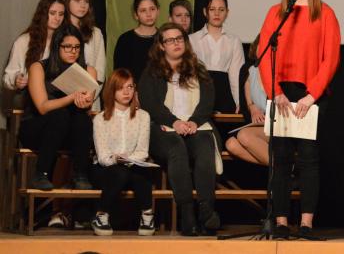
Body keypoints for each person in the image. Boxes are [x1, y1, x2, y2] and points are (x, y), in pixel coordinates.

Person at [257, 0, 341, 240]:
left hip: (310, 96)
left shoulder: (325, 14)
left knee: (308, 159)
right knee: (280, 159)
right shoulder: (276, 13)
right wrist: (275, 92)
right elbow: (265, 55)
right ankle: (281, 221)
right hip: (281, 93)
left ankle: (306, 222)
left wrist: (311, 95)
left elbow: (331, 59)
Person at [138, 23, 221, 236]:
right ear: (161, 46)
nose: (176, 43)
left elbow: (208, 100)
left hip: (195, 125)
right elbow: (150, 104)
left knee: (205, 146)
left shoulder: (198, 68)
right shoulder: (152, 72)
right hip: (163, 128)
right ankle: (187, 213)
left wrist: (194, 121)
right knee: (176, 148)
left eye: (179, 39)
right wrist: (174, 122)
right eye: (170, 40)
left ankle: (206, 211)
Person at [18, 24, 96, 190]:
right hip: (38, 127)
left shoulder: (89, 70)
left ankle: (80, 174)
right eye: (67, 46)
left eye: (77, 47)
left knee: (83, 119)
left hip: (69, 131)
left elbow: (88, 101)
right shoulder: (38, 67)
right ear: (57, 46)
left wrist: (86, 101)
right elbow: (42, 107)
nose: (73, 51)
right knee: (59, 115)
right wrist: (71, 98)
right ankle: (41, 173)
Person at [90, 68, 154, 236]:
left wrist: (128, 159)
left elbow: (142, 151)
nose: (126, 92)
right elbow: (103, 156)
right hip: (107, 169)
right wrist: (116, 159)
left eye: (130, 87)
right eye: (121, 88)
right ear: (112, 90)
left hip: (133, 166)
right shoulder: (100, 119)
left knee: (141, 172)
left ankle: (147, 216)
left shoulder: (143, 116)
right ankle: (101, 215)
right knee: (119, 172)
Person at [189, 0, 245, 113]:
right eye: (212, 9)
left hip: (225, 94)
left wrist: (239, 102)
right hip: (199, 92)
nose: (217, 13)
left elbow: (236, 75)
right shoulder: (192, 39)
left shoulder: (234, 41)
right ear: (205, 12)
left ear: (227, 12)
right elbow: (188, 73)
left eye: (221, 9)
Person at [3, 0, 65, 92]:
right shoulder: (24, 41)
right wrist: (16, 79)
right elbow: (7, 77)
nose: (57, 18)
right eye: (52, 13)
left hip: (58, 94)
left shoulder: (66, 39)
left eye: (61, 14)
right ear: (43, 14)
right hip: (29, 94)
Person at [225, 34, 270, 166]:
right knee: (231, 144)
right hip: (258, 127)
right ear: (256, 47)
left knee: (244, 135)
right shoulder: (249, 70)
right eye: (262, 44)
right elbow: (247, 104)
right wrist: (252, 108)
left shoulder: (280, 71)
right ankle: (287, 171)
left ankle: (284, 171)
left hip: (277, 127)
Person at [65, 0, 106, 87]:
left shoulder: (95, 33)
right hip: (59, 91)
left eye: (86, 1)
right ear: (67, 2)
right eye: (77, 0)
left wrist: (90, 93)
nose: (83, 5)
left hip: (89, 90)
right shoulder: (59, 30)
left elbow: (100, 70)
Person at [114, 0, 159, 82]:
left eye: (152, 9)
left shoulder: (165, 37)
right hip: (132, 89)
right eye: (143, 10)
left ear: (158, 11)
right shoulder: (125, 40)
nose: (149, 14)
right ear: (136, 15)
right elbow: (120, 75)